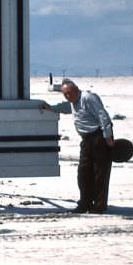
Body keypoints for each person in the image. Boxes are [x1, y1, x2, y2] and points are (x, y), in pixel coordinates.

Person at [43, 79, 115, 213]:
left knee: (100, 173)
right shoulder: (72, 102)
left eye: (69, 93)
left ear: (76, 90)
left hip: (99, 137)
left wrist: (108, 136)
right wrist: (51, 108)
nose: (67, 96)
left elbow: (102, 115)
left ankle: (99, 206)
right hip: (87, 140)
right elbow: (66, 107)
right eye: (65, 94)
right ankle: (85, 204)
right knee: (83, 173)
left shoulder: (88, 98)